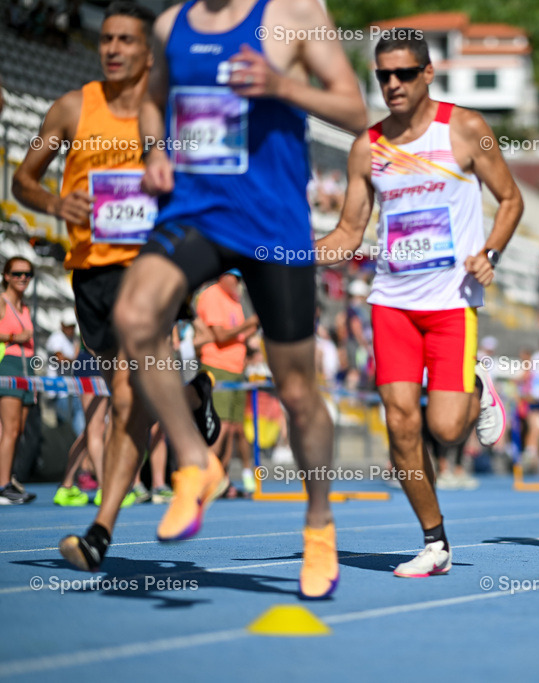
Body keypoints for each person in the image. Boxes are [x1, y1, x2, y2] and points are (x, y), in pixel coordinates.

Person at [113, 0, 366, 598]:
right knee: (134, 316)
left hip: (272, 222)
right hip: (196, 212)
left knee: (297, 391)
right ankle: (194, 460)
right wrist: (155, 149)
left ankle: (319, 522)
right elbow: (151, 100)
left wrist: (281, 86)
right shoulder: (171, 24)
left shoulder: (295, 15)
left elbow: (355, 111)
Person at [12, 2, 219, 562]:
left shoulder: (171, 111)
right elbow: (23, 181)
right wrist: (56, 203)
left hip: (152, 263)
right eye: (106, 39)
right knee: (127, 393)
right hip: (91, 271)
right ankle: (193, 393)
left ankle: (100, 531)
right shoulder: (71, 108)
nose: (112, 49)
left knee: (128, 398)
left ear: (148, 53)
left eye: (126, 40)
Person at [316, 31, 521, 577]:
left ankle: (476, 385)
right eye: (384, 75)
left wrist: (491, 252)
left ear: (428, 73)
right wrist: (290, 254)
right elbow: (348, 233)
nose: (393, 84)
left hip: (452, 302)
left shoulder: (464, 128)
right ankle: (435, 542)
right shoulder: (368, 147)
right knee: (401, 425)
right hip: (392, 303)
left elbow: (510, 199)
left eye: (404, 73)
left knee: (447, 429)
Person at [195, 269, 258, 490]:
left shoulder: (234, 300)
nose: (238, 282)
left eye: (240, 277)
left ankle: (221, 479)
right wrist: (250, 323)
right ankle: (204, 479)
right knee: (218, 427)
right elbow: (220, 336)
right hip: (217, 367)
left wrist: (255, 326)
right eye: (235, 277)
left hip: (235, 368)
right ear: (223, 276)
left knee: (232, 428)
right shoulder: (213, 295)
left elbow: (237, 336)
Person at [0, 257, 38, 504]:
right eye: (17, 273)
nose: (23, 278)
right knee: (10, 429)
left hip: (27, 369)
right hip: (9, 365)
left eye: (27, 274)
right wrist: (14, 336)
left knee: (18, 429)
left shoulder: (25, 307)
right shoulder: (1, 302)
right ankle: (3, 485)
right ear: (6, 276)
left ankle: (7, 479)